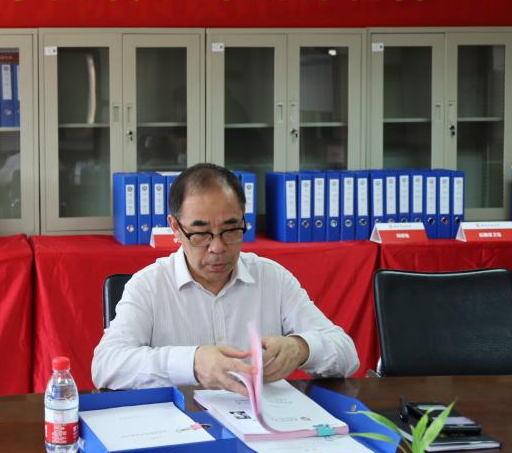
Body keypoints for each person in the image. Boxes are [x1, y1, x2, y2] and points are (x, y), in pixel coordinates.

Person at [92, 163, 359, 392]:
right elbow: (106, 365)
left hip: (261, 424)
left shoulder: (272, 278)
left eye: (231, 230)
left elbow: (347, 354)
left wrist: (301, 348)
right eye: (201, 233)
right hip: (180, 425)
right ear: (175, 227)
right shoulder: (149, 285)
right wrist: (192, 362)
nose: (218, 247)